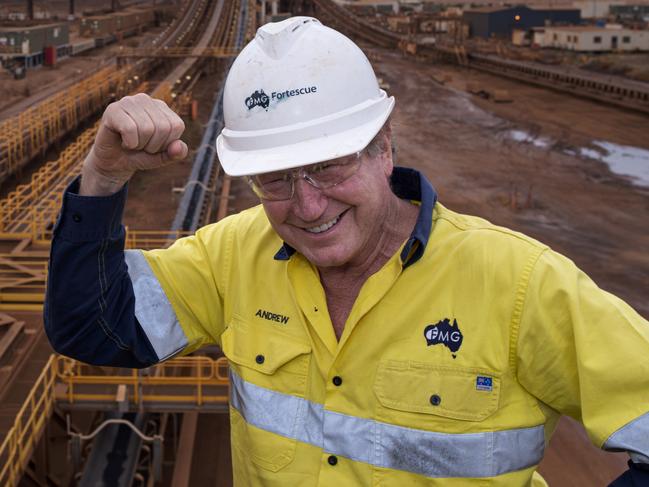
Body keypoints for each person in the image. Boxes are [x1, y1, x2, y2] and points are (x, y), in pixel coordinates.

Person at [45, 16, 649, 486]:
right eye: (275, 179)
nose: (307, 207)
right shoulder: (235, 255)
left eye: (329, 166)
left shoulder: (518, 284)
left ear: (383, 146)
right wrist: (103, 179)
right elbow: (91, 327)